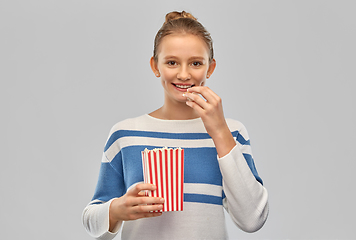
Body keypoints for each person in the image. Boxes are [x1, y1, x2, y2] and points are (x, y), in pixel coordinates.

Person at [82, 10, 269, 240]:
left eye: (196, 63)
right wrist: (118, 209)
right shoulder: (125, 134)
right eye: (172, 62)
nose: (183, 74)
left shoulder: (233, 133)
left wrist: (220, 131)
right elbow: (92, 223)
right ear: (155, 66)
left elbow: (253, 220)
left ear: (210, 68)